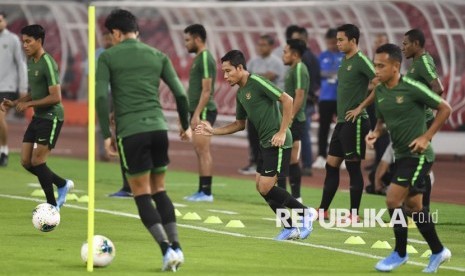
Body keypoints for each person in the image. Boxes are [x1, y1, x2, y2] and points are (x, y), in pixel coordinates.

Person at [96, 9, 190, 271]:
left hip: (131, 131)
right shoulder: (158, 55)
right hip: (159, 129)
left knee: (141, 194)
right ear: (136, 30)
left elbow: (102, 97)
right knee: (160, 189)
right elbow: (181, 95)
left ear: (116, 33)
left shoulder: (109, 57)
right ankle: (178, 248)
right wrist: (185, 125)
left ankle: (165, 250)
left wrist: (106, 135)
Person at [195, 49, 314, 240]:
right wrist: (213, 131)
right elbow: (239, 124)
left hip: (278, 142)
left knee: (267, 187)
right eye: (223, 72)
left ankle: (305, 213)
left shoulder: (257, 81)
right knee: (261, 187)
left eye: (228, 71)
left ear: (240, 68)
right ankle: (290, 226)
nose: (225, 76)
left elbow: (287, 100)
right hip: (264, 144)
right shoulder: (241, 93)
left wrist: (282, 132)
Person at [368, 43, 451, 273]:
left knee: (392, 200)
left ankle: (400, 253)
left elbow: (445, 108)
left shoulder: (411, 87)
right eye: (375, 65)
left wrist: (426, 136)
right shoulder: (381, 92)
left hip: (420, 155)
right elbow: (383, 121)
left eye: (381, 66)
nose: (376, 70)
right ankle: (438, 251)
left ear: (396, 67)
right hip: (401, 156)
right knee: (415, 206)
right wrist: (376, 132)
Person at [1, 24, 73, 210]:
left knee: (38, 161)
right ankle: (63, 184)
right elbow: (36, 92)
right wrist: (16, 102)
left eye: (28, 41)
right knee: (26, 161)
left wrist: (28, 105)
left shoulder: (47, 62)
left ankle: (51, 207)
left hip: (52, 116)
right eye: (23, 41)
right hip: (39, 117)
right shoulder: (31, 61)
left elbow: (56, 97)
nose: (24, 45)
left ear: (39, 41)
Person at [317, 24, 375, 221]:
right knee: (331, 165)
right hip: (343, 121)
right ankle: (323, 209)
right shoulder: (344, 61)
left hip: (356, 122)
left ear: (353, 41)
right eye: (337, 40)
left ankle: (354, 214)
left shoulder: (362, 61)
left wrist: (361, 107)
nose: (338, 43)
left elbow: (380, 82)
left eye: (341, 40)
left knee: (352, 167)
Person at [402, 28, 444, 212]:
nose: (402, 48)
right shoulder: (417, 62)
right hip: (417, 120)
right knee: (419, 165)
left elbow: (438, 87)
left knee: (419, 164)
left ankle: (421, 209)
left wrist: (424, 107)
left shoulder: (423, 62)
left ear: (416, 44)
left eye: (405, 44)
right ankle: (419, 210)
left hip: (422, 121)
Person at [239, 34, 286, 175]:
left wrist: (254, 77)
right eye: (259, 44)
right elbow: (247, 79)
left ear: (271, 46)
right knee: (252, 136)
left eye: (264, 44)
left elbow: (267, 78)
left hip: (269, 108)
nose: (260, 47)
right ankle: (254, 162)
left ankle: (265, 164)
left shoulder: (276, 62)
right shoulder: (253, 61)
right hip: (254, 107)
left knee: (265, 138)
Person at [183, 24, 217, 202]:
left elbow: (207, 90)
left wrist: (196, 114)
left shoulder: (205, 58)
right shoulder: (199, 58)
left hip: (203, 111)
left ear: (197, 39)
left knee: (203, 150)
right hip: (198, 110)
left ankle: (206, 192)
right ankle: (201, 190)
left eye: (188, 40)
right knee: (199, 149)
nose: (186, 44)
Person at [276, 39, 309, 202]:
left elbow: (300, 95)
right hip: (290, 119)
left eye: (285, 52)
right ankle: (288, 196)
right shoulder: (293, 69)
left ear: (295, 54)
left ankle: (294, 197)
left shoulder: (299, 69)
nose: (283, 55)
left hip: (294, 120)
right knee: (287, 157)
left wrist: (289, 118)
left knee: (290, 158)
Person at [290, 26, 321, 176]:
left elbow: (309, 85)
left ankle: (306, 165)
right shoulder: (309, 58)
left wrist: (308, 96)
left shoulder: (305, 60)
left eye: (297, 39)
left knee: (302, 134)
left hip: (304, 103)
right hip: (305, 101)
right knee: (301, 134)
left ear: (304, 39)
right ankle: (301, 164)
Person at [312, 28, 343, 169]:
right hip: (325, 98)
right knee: (323, 128)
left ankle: (342, 157)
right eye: (329, 43)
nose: (331, 45)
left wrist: (330, 73)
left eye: (333, 43)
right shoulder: (322, 56)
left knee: (342, 128)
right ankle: (321, 156)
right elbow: (319, 74)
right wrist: (334, 73)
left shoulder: (344, 56)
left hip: (341, 98)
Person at [0, 11, 28, 167]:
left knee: (0, 117)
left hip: (7, 87)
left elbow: (21, 64)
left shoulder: (12, 40)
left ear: (4, 21)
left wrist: (23, 87)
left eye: (0, 20)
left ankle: (4, 151)